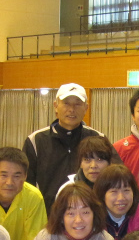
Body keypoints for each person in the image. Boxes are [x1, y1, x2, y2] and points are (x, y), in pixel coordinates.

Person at [24, 83, 106, 213]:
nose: (71, 109)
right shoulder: (35, 140)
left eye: (77, 104)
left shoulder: (99, 139)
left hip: (88, 216)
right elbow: (27, 186)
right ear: (55, 106)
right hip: (47, 217)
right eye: (66, 103)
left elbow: (109, 180)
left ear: (86, 108)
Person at [94, 164, 139, 240]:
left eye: (126, 190)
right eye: (114, 192)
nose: (121, 198)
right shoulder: (93, 222)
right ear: (102, 195)